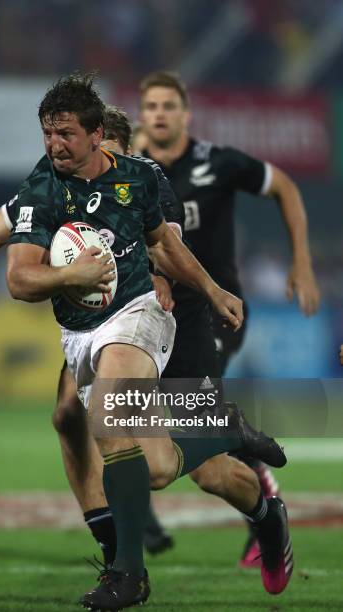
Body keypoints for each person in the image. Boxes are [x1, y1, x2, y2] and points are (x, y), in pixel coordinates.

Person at [0, 78, 290, 610]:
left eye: (65, 134)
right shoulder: (41, 190)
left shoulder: (140, 177)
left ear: (99, 136)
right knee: (151, 467)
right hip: (81, 330)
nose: (54, 145)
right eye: (47, 134)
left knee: (107, 413)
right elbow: (15, 275)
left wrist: (211, 288)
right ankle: (225, 433)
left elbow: (165, 244)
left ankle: (126, 572)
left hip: (143, 313)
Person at [137, 70, 320, 568]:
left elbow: (284, 186)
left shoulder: (216, 163)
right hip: (153, 313)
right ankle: (242, 492)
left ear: (185, 114)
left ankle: (258, 488)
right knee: (121, 409)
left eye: (167, 106)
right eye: (150, 106)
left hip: (218, 312)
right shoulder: (129, 171)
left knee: (198, 427)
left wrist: (300, 261)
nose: (158, 115)